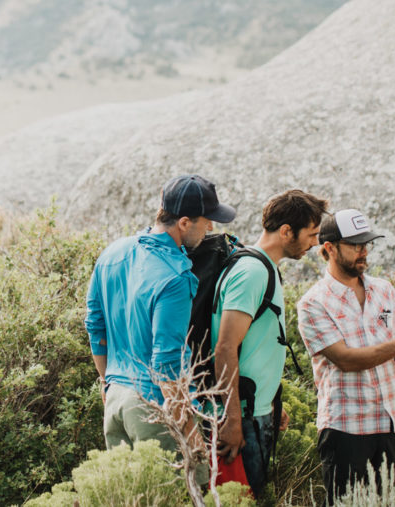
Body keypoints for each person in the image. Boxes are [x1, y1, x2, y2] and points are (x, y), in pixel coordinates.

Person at [85, 174, 236, 461]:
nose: (211, 228)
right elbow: (166, 363)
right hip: (153, 411)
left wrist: (108, 382)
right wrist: (192, 437)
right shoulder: (175, 277)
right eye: (207, 220)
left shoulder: (112, 253)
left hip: (115, 400)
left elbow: (95, 325)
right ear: (184, 223)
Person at [296, 209, 395, 504]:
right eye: (355, 245)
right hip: (346, 428)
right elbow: (345, 359)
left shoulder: (383, 290)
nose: (363, 252)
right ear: (329, 248)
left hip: (392, 423)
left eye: (366, 244)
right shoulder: (313, 304)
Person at [212, 189, 328, 498]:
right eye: (311, 234)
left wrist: (273, 400)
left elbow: (256, 344)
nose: (315, 242)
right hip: (244, 417)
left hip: (256, 409)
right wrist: (233, 420)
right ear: (287, 231)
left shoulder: (265, 268)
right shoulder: (252, 272)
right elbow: (224, 347)